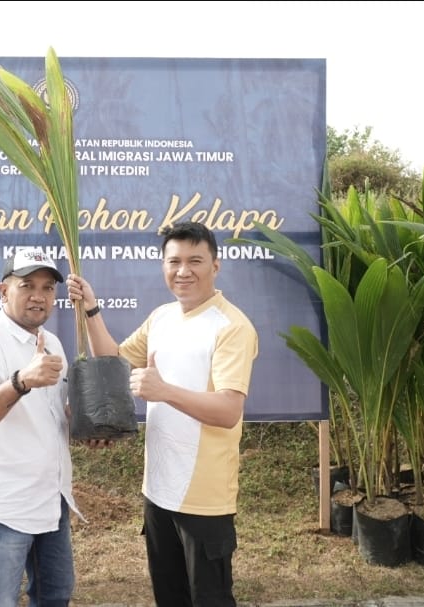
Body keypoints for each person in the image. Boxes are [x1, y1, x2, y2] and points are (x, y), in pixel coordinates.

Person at [66, 221, 259, 607]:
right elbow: (115, 361)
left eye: (195, 261)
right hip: (158, 490)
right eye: (174, 261)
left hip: (204, 499)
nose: (183, 270)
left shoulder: (232, 327)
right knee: (169, 597)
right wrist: (91, 308)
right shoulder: (163, 317)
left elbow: (228, 409)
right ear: (163, 265)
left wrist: (164, 391)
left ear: (215, 266)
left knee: (209, 599)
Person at [0, 246, 80, 607]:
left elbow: (54, 416)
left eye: (47, 288)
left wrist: (86, 427)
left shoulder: (52, 343)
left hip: (51, 499)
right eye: (27, 285)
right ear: (3, 291)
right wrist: (22, 380)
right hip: (2, 505)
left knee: (54, 595)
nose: (39, 296)